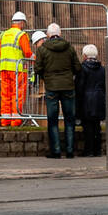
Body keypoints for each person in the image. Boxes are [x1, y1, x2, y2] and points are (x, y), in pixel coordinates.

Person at [34, 22, 81, 159]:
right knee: (69, 119)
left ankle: (56, 151)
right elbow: (78, 67)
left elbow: (37, 69)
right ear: (59, 34)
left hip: (52, 89)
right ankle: (70, 150)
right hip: (68, 87)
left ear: (48, 35)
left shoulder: (42, 50)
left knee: (52, 120)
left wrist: (47, 77)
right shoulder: (69, 48)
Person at [0, 11, 34, 126]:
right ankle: (16, 121)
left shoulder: (3, 34)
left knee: (5, 94)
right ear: (22, 23)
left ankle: (5, 120)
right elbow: (27, 53)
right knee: (17, 94)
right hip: (17, 69)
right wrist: (37, 59)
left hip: (4, 69)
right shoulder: (21, 35)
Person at [75, 44, 107, 157]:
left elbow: (80, 86)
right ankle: (97, 150)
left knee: (87, 127)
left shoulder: (82, 69)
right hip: (99, 99)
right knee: (96, 126)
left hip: (86, 100)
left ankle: (88, 151)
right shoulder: (102, 69)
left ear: (84, 56)